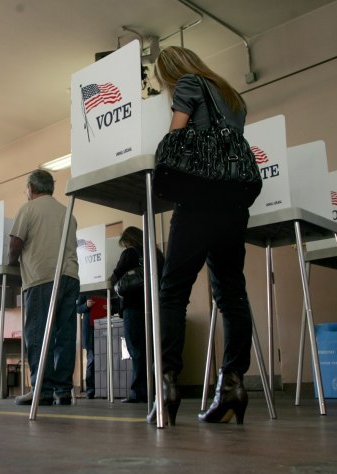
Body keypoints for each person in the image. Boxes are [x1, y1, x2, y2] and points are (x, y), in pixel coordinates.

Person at [150, 46, 255, 425]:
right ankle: (233, 386)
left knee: (173, 291)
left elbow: (177, 135)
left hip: (199, 198)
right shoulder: (231, 94)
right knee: (232, 293)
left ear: (170, 72)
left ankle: (167, 385)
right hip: (234, 202)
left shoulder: (189, 83)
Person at [9, 169, 80, 406]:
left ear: (31, 188)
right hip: (70, 277)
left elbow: (16, 243)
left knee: (38, 335)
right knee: (65, 336)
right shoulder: (67, 213)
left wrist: (11, 262)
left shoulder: (28, 209)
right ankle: (63, 390)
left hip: (42, 278)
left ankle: (42, 389)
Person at [109, 226, 164, 404]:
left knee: (137, 349)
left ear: (129, 241)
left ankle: (140, 392)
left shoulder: (130, 253)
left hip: (134, 306)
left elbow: (115, 278)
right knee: (154, 349)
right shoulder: (157, 254)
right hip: (155, 306)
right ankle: (157, 390)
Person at [76, 294, 107, 399]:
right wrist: (86, 305)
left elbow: (117, 305)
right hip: (90, 329)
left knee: (105, 359)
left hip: (104, 326)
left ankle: (104, 388)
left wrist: (110, 307)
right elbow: (78, 308)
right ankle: (91, 390)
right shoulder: (85, 290)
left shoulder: (106, 289)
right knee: (92, 360)